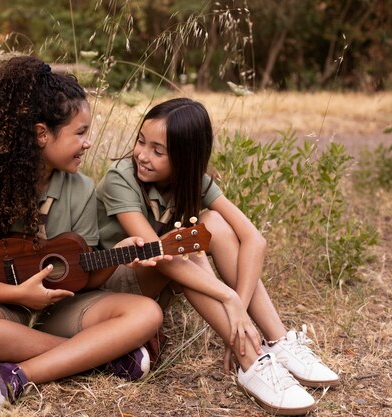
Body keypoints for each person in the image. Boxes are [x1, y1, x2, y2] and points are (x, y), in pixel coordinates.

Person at [0, 56, 164, 414]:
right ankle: (98, 355)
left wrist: (120, 253)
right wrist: (16, 293)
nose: (88, 143)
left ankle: (16, 374)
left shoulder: (82, 189)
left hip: (61, 307)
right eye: (80, 132)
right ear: (42, 134)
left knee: (147, 314)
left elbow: (83, 276)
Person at [95, 98, 340, 415]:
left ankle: (278, 341)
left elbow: (254, 239)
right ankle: (251, 360)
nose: (142, 154)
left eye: (158, 150)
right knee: (187, 247)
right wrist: (229, 299)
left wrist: (238, 305)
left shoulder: (194, 181)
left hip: (163, 276)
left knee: (215, 224)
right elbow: (155, 252)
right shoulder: (121, 178)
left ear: (185, 158)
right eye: (141, 141)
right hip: (115, 285)